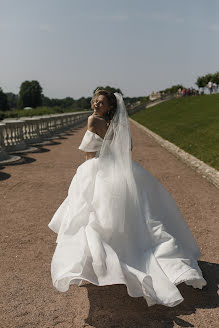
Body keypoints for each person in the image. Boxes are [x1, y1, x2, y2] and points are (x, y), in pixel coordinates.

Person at [48, 90, 206, 307]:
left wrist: (87, 170)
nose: (96, 103)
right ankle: (132, 260)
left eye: (101, 102)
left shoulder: (93, 120)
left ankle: (96, 266)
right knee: (132, 219)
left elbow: (89, 154)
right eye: (95, 99)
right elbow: (126, 147)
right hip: (117, 169)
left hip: (94, 169)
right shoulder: (114, 123)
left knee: (89, 220)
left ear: (109, 107)